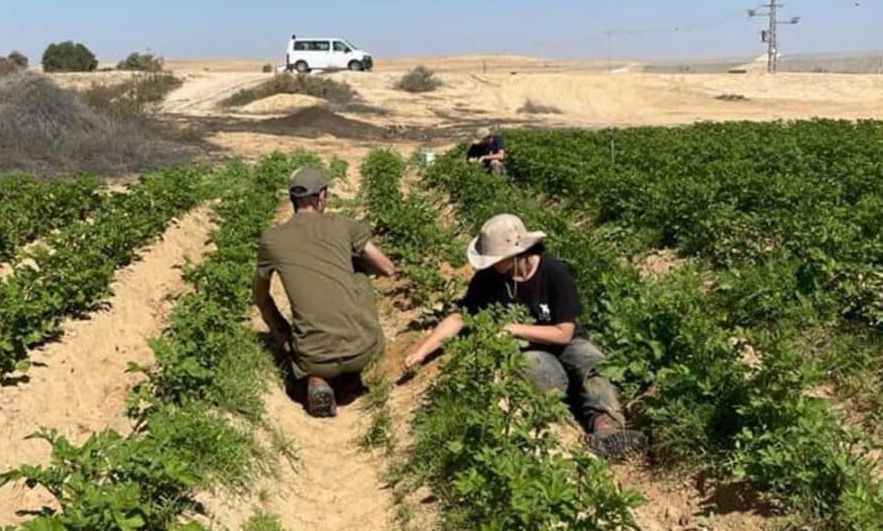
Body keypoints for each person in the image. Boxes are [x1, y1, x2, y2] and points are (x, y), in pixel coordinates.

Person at [404, 213, 647, 459]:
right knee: (545, 374)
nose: (488, 265)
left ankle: (607, 427)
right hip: (530, 351)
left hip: (566, 341)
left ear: (514, 254)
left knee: (589, 360)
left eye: (494, 259)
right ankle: (566, 425)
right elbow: (460, 317)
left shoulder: (554, 272)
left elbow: (564, 333)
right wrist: (422, 351)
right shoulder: (488, 279)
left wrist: (513, 328)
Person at [254, 166, 396, 417]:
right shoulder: (344, 225)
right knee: (359, 271)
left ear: (292, 199)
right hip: (361, 351)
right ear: (322, 196)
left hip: (311, 357)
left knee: (306, 331)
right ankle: (350, 373)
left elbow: (261, 297)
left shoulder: (271, 239)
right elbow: (387, 268)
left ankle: (317, 381)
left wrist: (283, 336)